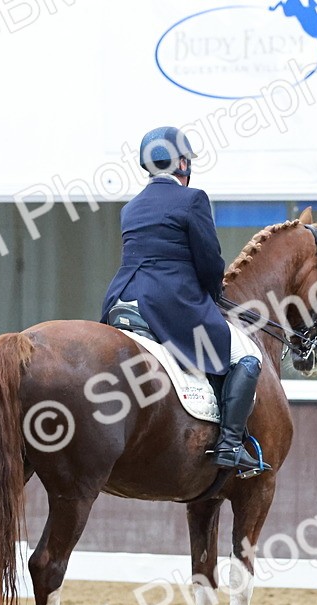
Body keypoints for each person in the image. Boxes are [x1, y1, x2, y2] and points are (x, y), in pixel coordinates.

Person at [100, 126, 265, 474]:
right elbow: (208, 261)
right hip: (169, 305)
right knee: (247, 356)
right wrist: (214, 293)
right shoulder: (193, 199)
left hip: (122, 301)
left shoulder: (130, 208)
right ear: (184, 164)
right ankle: (230, 445)